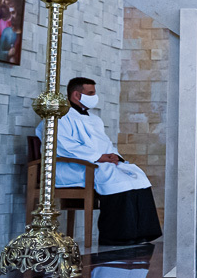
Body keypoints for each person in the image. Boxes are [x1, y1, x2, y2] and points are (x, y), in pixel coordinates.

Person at [43, 77, 162, 246]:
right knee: (113, 176)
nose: (95, 96)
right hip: (72, 167)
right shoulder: (60, 118)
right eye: (91, 93)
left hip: (97, 163)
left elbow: (106, 144)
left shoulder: (94, 120)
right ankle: (115, 236)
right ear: (76, 94)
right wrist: (99, 158)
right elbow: (63, 146)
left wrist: (113, 156)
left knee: (135, 174)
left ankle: (140, 233)